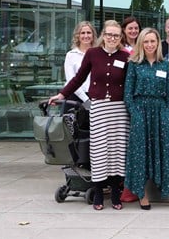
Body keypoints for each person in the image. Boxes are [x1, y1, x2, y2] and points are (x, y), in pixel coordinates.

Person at [49, 20, 129, 210]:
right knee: (99, 150)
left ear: (120, 38)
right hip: (99, 107)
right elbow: (78, 78)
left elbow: (129, 83)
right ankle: (99, 192)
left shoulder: (126, 56)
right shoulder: (93, 54)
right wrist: (61, 94)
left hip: (119, 109)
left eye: (116, 36)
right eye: (109, 34)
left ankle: (116, 193)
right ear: (103, 35)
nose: (112, 38)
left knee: (118, 151)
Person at [123, 28, 169, 210]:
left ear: (158, 43)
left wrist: (167, 114)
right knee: (141, 154)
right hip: (141, 112)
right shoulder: (135, 64)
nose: (150, 45)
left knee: (167, 153)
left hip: (161, 112)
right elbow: (128, 94)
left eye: (153, 41)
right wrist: (135, 114)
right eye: (146, 41)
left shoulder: (164, 65)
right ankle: (142, 194)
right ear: (141, 44)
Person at [63, 21, 98, 103]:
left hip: (95, 97)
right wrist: (86, 100)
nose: (86, 36)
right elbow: (71, 80)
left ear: (93, 35)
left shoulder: (99, 54)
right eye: (82, 33)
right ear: (78, 36)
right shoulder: (71, 55)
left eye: (89, 33)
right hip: (75, 97)